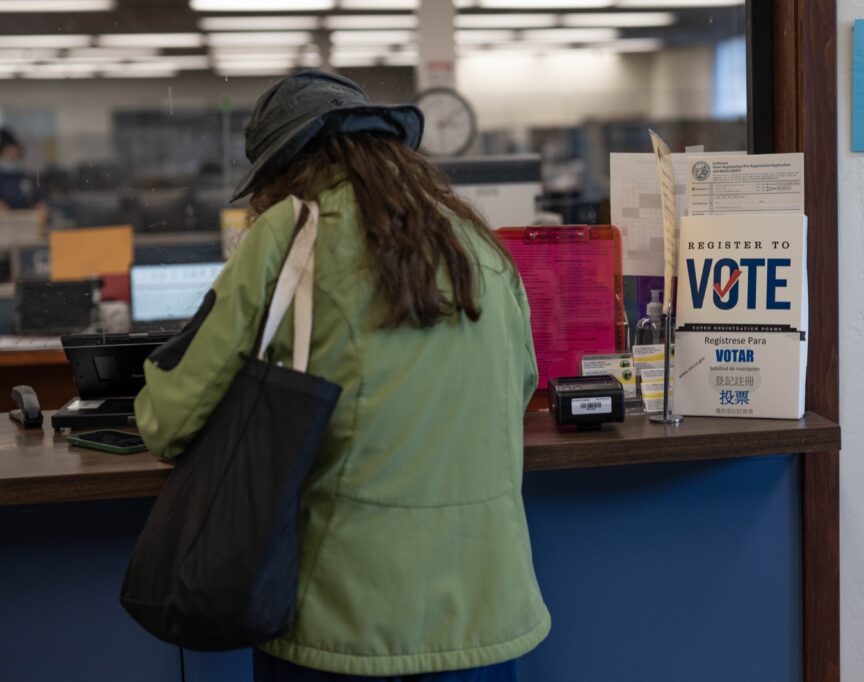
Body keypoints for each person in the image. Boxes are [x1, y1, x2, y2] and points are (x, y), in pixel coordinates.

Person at [134, 70, 550, 681]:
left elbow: (166, 421)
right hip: (486, 618)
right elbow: (520, 387)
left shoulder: (292, 231)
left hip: (345, 623)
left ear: (283, 172)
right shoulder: (478, 242)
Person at [0, 127, 42, 213]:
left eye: (15, 154)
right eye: (8, 154)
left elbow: (39, 202)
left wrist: (40, 209)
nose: (13, 158)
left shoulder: (25, 178)